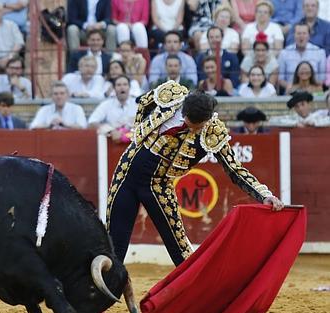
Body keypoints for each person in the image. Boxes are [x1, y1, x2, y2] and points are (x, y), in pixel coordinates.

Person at [106, 80, 284, 269]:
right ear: (183, 111)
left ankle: (198, 294)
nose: (192, 130)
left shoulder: (212, 131)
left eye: (197, 127)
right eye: (189, 124)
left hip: (158, 184)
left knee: (180, 248)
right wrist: (139, 136)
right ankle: (102, 294)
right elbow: (143, 102)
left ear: (207, 120)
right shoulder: (171, 94)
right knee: (113, 245)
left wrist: (264, 194)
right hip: (126, 172)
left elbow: (234, 169)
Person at [278, 24, 326, 93]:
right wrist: (292, 87)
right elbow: (281, 79)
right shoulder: (284, 53)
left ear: (309, 36)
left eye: (304, 33)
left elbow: (322, 79)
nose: (301, 36)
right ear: (294, 35)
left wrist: (309, 88)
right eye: (298, 33)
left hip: (313, 92)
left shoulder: (319, 52)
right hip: (292, 92)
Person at [88, 75, 138, 140]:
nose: (122, 87)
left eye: (125, 84)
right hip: (112, 141)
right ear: (114, 88)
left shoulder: (138, 104)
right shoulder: (106, 104)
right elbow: (92, 122)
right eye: (118, 85)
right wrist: (110, 130)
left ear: (129, 87)